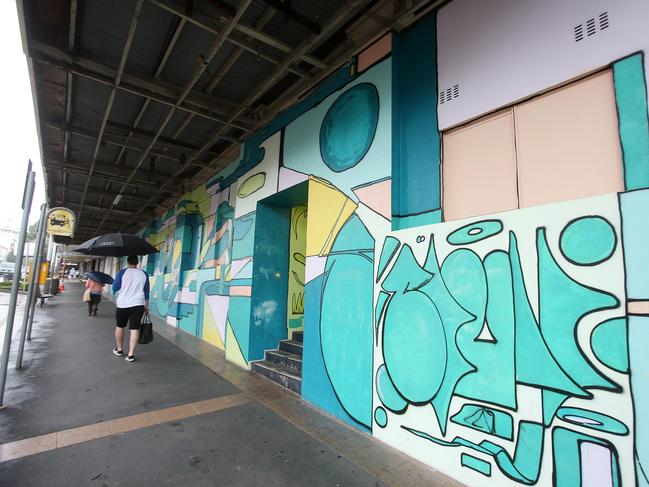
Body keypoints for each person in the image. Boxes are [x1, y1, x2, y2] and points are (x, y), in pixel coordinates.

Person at [112, 255, 150, 362]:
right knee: (134, 329)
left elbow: (115, 288)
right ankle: (131, 354)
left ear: (127, 262)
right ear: (137, 263)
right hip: (138, 304)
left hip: (123, 304)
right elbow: (147, 292)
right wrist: (146, 306)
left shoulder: (122, 273)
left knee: (120, 326)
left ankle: (119, 350)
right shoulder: (144, 274)